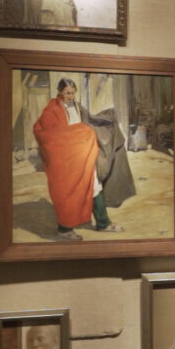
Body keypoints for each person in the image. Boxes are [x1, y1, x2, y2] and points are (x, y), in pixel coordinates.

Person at [33, 78, 132, 241]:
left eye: (72, 93)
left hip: (83, 155)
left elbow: (91, 121)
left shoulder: (78, 107)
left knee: (94, 185)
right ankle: (64, 229)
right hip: (65, 159)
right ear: (59, 92)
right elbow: (44, 132)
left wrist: (110, 119)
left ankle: (103, 223)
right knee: (68, 191)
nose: (70, 96)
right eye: (67, 93)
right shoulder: (51, 110)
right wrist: (74, 136)